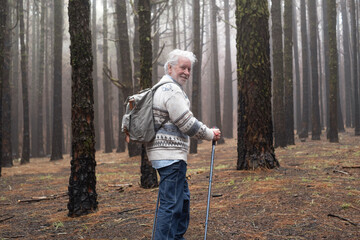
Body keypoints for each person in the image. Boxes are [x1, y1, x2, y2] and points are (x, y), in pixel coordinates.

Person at [147, 49, 221, 239]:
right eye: (183, 67)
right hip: (170, 157)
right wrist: (210, 134)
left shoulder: (163, 88)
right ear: (170, 68)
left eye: (189, 69)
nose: (187, 72)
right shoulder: (170, 90)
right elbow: (186, 123)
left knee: (182, 201)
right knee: (171, 205)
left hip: (168, 156)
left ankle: (176, 236)